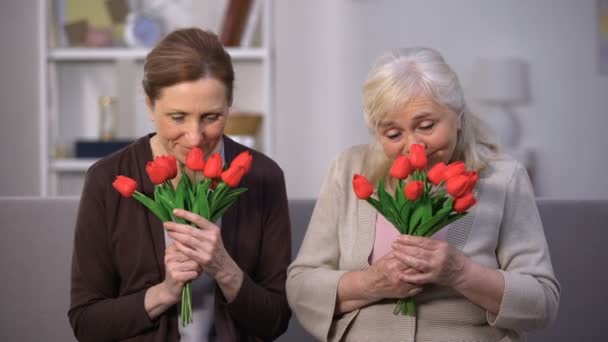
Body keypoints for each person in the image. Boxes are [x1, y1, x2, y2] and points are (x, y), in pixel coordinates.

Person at [286, 47, 560, 341]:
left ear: (458, 115)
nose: (413, 146)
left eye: (426, 126)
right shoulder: (347, 168)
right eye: (393, 134)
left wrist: (461, 273)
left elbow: (542, 301)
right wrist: (371, 283)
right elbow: (301, 285)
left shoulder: (503, 177)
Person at [68, 28, 291, 342]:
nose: (195, 137)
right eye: (177, 117)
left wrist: (224, 268)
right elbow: (87, 323)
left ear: (230, 105)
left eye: (211, 116)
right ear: (149, 105)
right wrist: (164, 292)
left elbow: (276, 320)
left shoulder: (263, 177)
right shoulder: (107, 179)